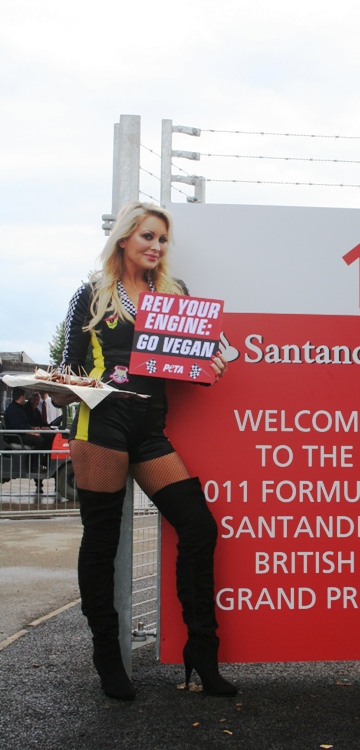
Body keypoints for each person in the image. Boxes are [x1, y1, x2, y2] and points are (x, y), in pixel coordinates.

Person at [57, 200, 236, 701]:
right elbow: (68, 366)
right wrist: (75, 386)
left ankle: (201, 651)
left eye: (162, 239)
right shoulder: (91, 293)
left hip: (150, 429)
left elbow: (199, 357)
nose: (156, 247)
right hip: (101, 423)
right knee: (102, 539)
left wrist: (210, 366)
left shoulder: (175, 295)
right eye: (147, 237)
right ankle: (108, 657)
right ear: (124, 240)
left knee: (199, 527)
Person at [4, 387, 46, 492]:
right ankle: (34, 465)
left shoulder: (19, 409)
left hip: (21, 433)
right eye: (24, 397)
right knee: (39, 440)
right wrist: (31, 432)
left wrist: (33, 428)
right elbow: (17, 427)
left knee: (41, 437)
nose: (25, 399)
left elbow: (24, 424)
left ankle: (38, 464)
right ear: (21, 397)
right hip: (16, 436)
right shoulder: (12, 410)